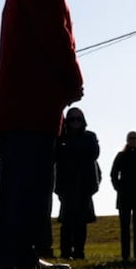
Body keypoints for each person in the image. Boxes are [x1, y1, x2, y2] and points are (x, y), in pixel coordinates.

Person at [0, 0, 84, 269]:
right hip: (33, 102)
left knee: (16, 182)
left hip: (18, 104)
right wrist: (74, 81)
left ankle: (7, 256)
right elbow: (56, 38)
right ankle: (20, 257)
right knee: (31, 181)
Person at [55, 107, 100, 259]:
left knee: (82, 221)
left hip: (85, 185)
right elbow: (57, 156)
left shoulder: (90, 136)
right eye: (72, 119)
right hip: (66, 185)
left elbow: (93, 154)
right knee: (67, 221)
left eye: (78, 119)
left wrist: (71, 151)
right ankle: (65, 252)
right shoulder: (60, 138)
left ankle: (79, 252)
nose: (75, 122)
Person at [109, 130, 136, 263]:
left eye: (134, 138)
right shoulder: (121, 156)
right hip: (124, 196)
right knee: (125, 227)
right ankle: (125, 255)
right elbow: (113, 174)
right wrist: (118, 188)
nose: (133, 140)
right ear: (127, 140)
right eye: (131, 138)